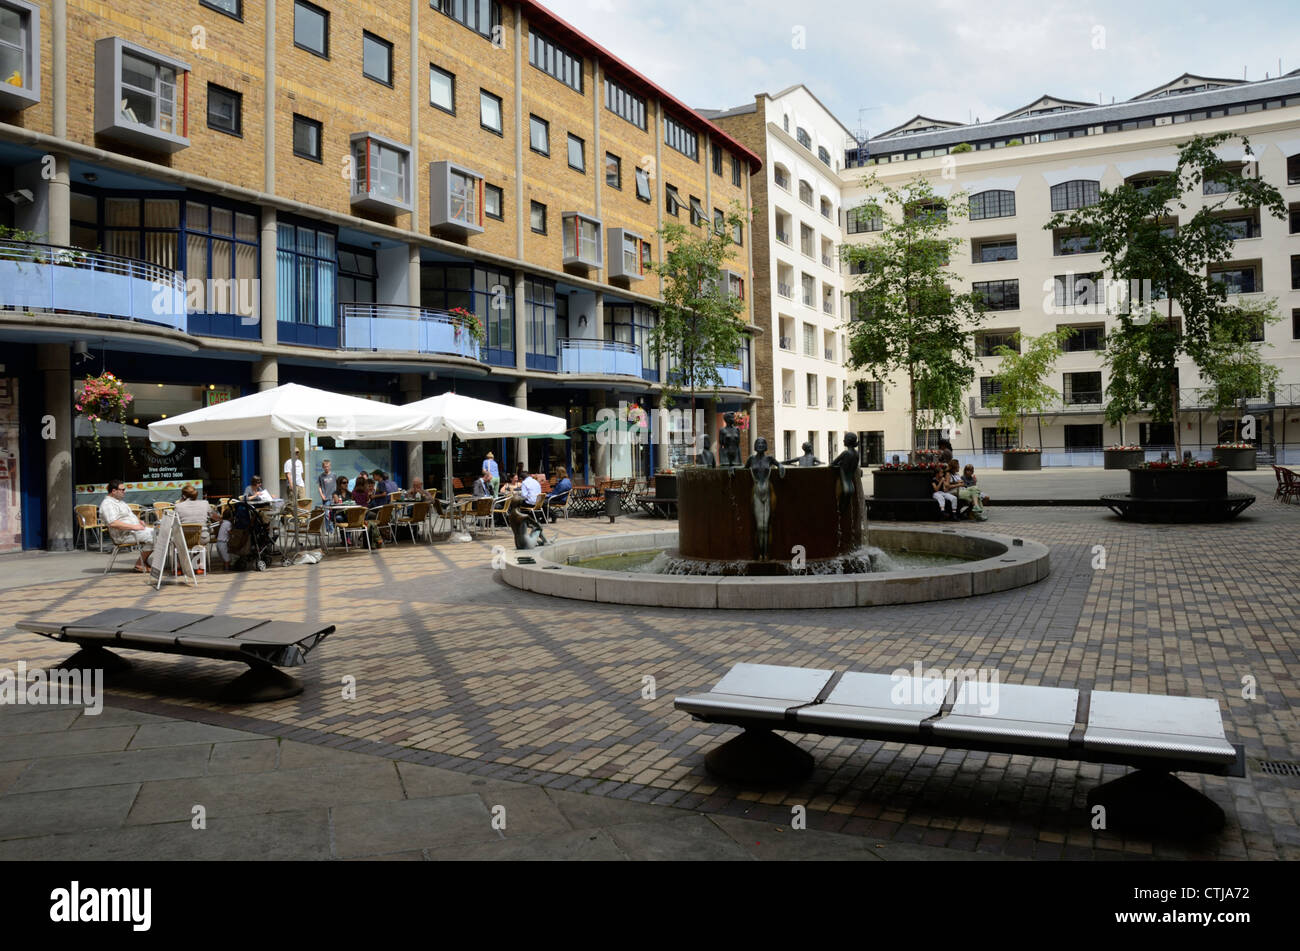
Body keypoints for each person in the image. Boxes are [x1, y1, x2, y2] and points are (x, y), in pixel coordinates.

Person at [99, 478, 154, 572]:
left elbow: (129, 516)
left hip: (132, 531)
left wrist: (139, 521)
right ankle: (140, 563)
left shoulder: (120, 502)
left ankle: (143, 562)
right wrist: (135, 526)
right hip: (124, 535)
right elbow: (113, 523)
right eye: (122, 490)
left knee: (160, 533)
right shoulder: (107, 504)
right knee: (156, 536)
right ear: (114, 491)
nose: (125, 492)